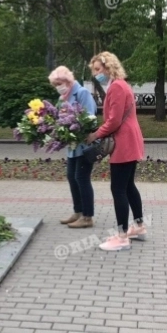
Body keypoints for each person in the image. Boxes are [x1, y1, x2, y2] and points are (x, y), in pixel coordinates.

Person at [85, 52, 146, 251]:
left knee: (118, 189)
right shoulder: (121, 85)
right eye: (93, 71)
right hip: (130, 140)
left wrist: (95, 135)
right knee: (128, 186)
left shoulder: (117, 87)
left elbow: (114, 121)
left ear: (108, 67)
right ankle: (138, 227)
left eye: (97, 69)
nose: (95, 74)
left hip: (124, 143)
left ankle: (121, 238)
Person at [49, 66, 97, 229]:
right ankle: (78, 211)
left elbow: (90, 117)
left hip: (84, 145)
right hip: (72, 146)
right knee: (72, 176)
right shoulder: (63, 97)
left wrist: (75, 126)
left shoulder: (82, 93)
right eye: (55, 84)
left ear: (68, 80)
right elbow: (58, 117)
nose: (58, 86)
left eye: (60, 82)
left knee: (82, 178)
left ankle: (87, 217)